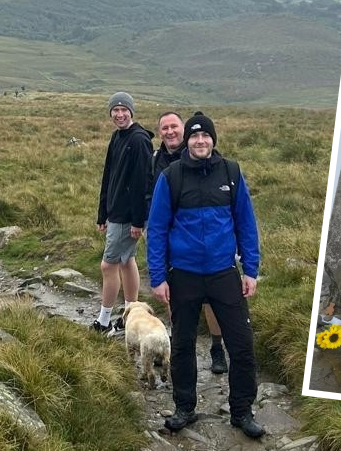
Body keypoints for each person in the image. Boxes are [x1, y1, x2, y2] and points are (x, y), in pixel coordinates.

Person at [148, 112, 264, 439]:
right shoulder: (171, 177)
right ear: (187, 140)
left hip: (223, 273)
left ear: (213, 140)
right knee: (182, 344)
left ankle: (242, 411)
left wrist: (250, 270)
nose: (201, 141)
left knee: (241, 345)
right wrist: (158, 277)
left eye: (206, 136)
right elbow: (157, 229)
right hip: (183, 274)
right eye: (195, 137)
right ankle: (185, 407)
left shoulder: (231, 172)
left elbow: (245, 223)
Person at [153, 111, 227, 374]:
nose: (170, 132)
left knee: (210, 303)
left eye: (174, 127)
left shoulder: (204, 157)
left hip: (206, 251)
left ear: (183, 131)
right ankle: (179, 351)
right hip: (173, 245)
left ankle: (217, 348)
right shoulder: (157, 159)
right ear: (160, 132)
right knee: (175, 300)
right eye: (165, 128)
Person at [94, 92, 154, 334]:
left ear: (131, 111)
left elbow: (143, 182)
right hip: (116, 212)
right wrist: (102, 213)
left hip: (128, 215)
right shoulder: (118, 136)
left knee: (108, 266)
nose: (119, 114)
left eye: (123, 110)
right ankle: (130, 314)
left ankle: (104, 321)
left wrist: (138, 220)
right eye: (115, 110)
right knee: (126, 261)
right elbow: (109, 176)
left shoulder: (139, 140)